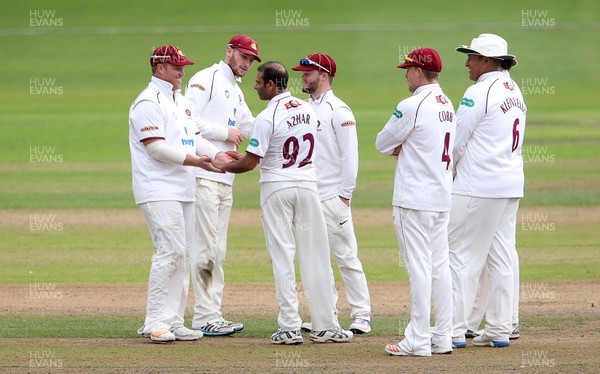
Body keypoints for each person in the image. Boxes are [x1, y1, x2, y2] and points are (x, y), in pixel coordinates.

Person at [221, 61, 353, 345]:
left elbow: (250, 163)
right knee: (316, 255)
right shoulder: (307, 109)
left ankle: (290, 327)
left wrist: (224, 166)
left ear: (271, 84)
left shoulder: (266, 118)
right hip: (307, 186)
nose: (255, 85)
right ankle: (326, 325)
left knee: (282, 255)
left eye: (258, 81)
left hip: (277, 189)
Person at [129, 45, 231, 343]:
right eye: (176, 67)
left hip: (183, 187)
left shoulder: (181, 101)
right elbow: (156, 148)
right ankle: (155, 321)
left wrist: (220, 157)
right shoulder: (148, 101)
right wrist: (195, 161)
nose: (182, 71)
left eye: (183, 66)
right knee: (170, 251)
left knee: (183, 254)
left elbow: (194, 138)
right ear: (159, 67)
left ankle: (174, 320)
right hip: (157, 187)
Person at [375, 48, 456, 356]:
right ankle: (442, 337)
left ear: (419, 72)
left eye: (408, 69)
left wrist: (404, 147)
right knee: (440, 267)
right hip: (440, 197)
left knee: (419, 268)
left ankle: (419, 339)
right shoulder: (447, 103)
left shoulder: (412, 105)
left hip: (414, 200)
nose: (405, 74)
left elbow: (383, 143)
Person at [449, 33, 526, 349]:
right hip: (509, 184)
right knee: (502, 256)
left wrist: (446, 176)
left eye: (472, 56)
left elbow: (455, 141)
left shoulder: (478, 91)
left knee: (460, 256)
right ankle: (499, 327)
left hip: (477, 186)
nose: (467, 62)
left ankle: (451, 330)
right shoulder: (514, 89)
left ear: (487, 60)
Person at [184, 35, 260, 336]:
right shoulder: (207, 79)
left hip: (225, 177)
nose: (246, 64)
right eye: (242, 56)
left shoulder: (235, 90)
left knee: (218, 248)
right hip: (204, 175)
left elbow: (250, 126)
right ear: (228, 51)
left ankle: (212, 313)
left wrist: (285, 116)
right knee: (206, 248)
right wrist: (223, 133)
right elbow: (187, 122)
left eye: (251, 60)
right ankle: (204, 316)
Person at [291, 53, 372, 334]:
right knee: (315, 260)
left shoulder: (339, 111)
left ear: (323, 75)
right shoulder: (301, 108)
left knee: (346, 256)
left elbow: (351, 157)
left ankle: (361, 314)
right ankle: (325, 314)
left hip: (332, 198)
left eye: (307, 72)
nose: (302, 76)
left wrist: (344, 196)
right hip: (309, 197)